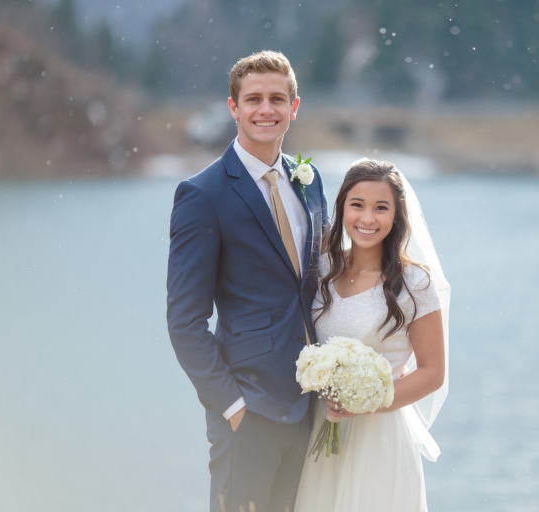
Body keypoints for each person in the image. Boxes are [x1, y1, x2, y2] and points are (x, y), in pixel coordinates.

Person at [166, 50, 328, 512]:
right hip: (249, 409)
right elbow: (184, 322)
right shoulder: (203, 195)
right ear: (233, 107)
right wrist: (233, 407)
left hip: (310, 408)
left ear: (294, 107)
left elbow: (315, 286)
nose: (266, 109)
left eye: (277, 98)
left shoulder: (309, 179)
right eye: (253, 98)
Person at [293, 159, 450, 512]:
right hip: (321, 424)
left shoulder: (415, 283)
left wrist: (365, 403)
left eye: (381, 208)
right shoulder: (322, 269)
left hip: (381, 434)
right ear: (342, 208)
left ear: (396, 216)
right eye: (357, 205)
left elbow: (432, 373)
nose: (367, 219)